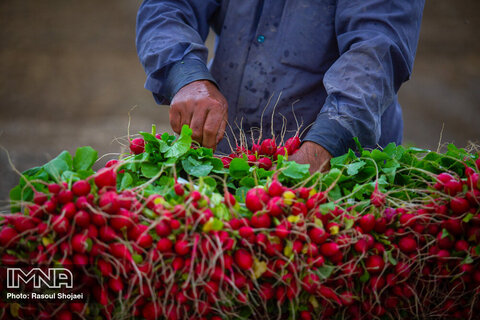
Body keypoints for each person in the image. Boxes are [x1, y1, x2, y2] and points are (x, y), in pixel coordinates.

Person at [136, 0, 425, 172]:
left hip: (336, 165)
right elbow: (170, 6)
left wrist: (327, 143)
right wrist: (187, 74)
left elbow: (376, 50)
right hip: (226, 155)